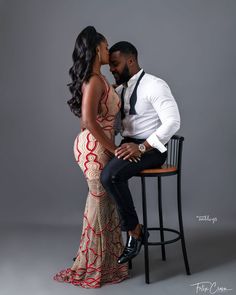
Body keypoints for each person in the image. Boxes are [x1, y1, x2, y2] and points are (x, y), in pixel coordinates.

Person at [53, 27, 129, 289]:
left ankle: (106, 262)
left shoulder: (99, 79)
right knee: (99, 205)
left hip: (96, 144)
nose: (109, 52)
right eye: (106, 48)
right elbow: (87, 121)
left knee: (103, 203)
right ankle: (93, 266)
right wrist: (112, 147)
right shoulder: (94, 80)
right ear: (97, 49)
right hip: (95, 147)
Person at [101, 41, 181, 264]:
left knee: (111, 176)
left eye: (115, 64)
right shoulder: (119, 90)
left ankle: (135, 233)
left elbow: (173, 122)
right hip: (127, 146)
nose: (113, 69)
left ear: (131, 60)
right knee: (101, 174)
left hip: (152, 149)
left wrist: (143, 146)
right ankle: (96, 249)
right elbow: (117, 126)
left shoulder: (156, 85)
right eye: (110, 67)